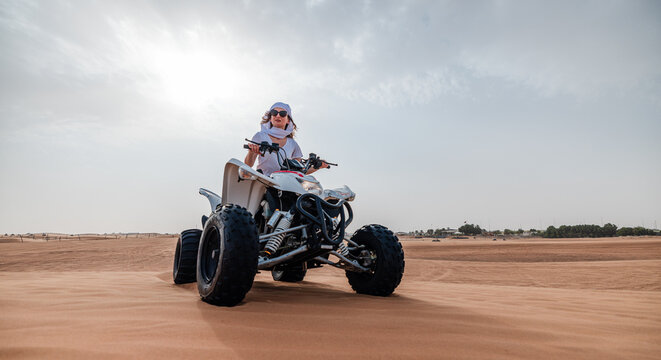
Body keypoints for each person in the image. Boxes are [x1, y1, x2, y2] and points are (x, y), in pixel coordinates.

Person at [244, 102, 328, 176]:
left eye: (282, 113)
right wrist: (251, 152)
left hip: (284, 185)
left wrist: (317, 167)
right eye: (274, 113)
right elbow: (248, 164)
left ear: (288, 120)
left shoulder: (293, 144)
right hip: (264, 181)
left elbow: (300, 171)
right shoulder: (260, 136)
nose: (278, 115)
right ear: (270, 118)